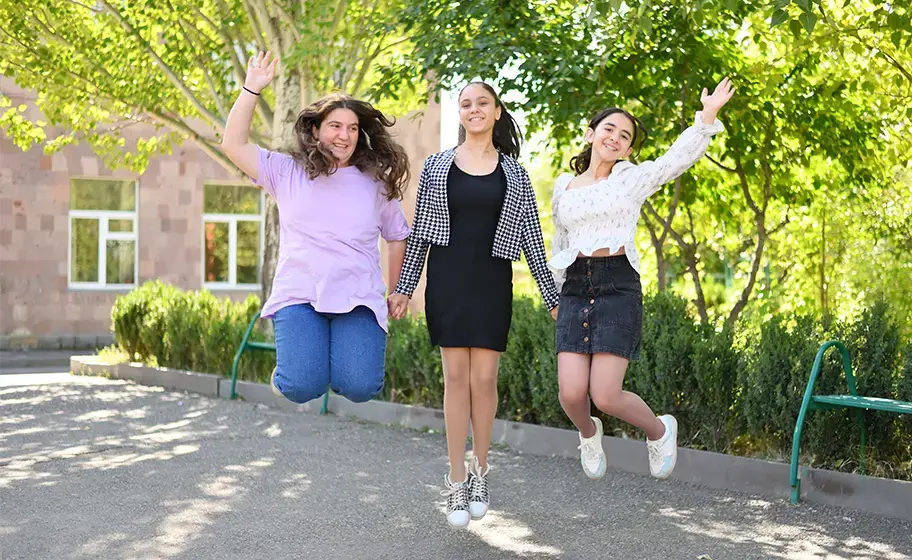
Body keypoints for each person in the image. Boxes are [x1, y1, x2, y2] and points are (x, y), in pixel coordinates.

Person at [388, 82, 559, 528]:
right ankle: (456, 478)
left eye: (482, 102)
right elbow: (422, 229)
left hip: (491, 282)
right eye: (466, 104)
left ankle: (482, 472)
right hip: (447, 281)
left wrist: (550, 295)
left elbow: (531, 239)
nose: (474, 109)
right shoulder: (437, 166)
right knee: (455, 378)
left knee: (484, 380)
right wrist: (405, 288)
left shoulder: (515, 173)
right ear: (459, 114)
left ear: (497, 112)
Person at [549, 77, 734, 481]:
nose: (614, 138)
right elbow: (560, 239)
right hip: (575, 286)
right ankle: (588, 433)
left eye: (625, 136)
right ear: (591, 134)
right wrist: (556, 293)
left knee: (606, 394)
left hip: (616, 285)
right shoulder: (564, 186)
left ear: (629, 149)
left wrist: (707, 115)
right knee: (571, 394)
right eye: (608, 129)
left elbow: (673, 160)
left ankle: (659, 430)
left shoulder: (630, 179)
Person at [221, 51, 412, 406]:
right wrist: (251, 89)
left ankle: (331, 368)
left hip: (358, 297)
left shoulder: (374, 182)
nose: (345, 136)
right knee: (300, 386)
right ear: (315, 130)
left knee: (360, 387)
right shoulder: (286, 171)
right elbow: (233, 144)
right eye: (336, 126)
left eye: (353, 128)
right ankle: (294, 373)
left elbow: (398, 234)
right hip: (300, 294)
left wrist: (399, 290)